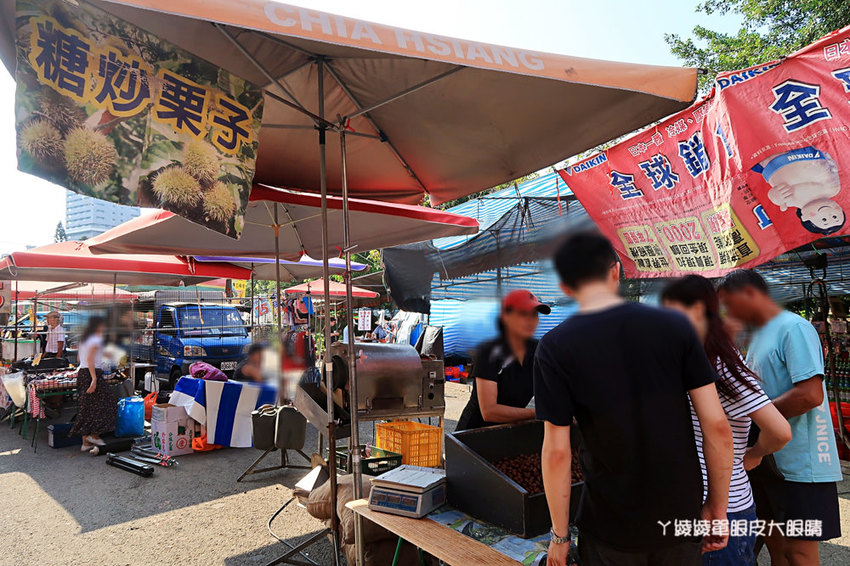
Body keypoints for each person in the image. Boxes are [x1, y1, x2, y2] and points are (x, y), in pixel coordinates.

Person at [535, 232, 733, 566]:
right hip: (678, 516)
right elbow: (717, 425)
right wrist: (717, 507)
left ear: (566, 287)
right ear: (615, 272)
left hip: (610, 523)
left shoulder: (554, 348)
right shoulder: (676, 327)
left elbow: (557, 451)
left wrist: (560, 535)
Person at [662, 275, 792, 565]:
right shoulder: (697, 360)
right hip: (710, 506)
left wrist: (753, 454)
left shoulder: (721, 365)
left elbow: (780, 431)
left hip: (722, 511)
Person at [719, 270, 843, 566]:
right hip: (771, 459)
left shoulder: (792, 327)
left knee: (799, 551)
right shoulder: (760, 335)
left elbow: (811, 395)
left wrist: (762, 418)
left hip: (801, 464)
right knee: (777, 544)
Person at [456, 290, 550, 431]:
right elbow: (489, 411)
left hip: (508, 431)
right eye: (523, 314)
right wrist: (538, 414)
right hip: (473, 434)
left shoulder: (539, 351)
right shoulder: (488, 352)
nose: (530, 321)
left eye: (534, 315)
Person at [70, 317, 115, 451]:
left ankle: (86, 441)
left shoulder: (84, 339)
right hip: (92, 373)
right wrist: (94, 379)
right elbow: (90, 360)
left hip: (83, 373)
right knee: (108, 403)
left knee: (87, 407)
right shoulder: (96, 340)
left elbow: (79, 358)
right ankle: (94, 435)